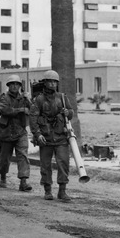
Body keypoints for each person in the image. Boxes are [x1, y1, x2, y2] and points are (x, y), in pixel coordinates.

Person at [29, 70, 74, 202]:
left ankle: (62, 191)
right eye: (50, 81)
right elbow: (33, 118)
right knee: (45, 165)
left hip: (61, 137)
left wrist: (67, 112)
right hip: (46, 137)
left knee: (63, 163)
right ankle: (47, 190)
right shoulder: (39, 99)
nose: (52, 84)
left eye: (55, 81)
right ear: (45, 83)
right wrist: (37, 135)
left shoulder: (62, 97)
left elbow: (71, 112)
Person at [0, 75, 33, 192]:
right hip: (6, 132)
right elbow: (3, 110)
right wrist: (20, 110)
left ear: (20, 86)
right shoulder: (4, 98)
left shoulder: (23, 98)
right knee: (5, 158)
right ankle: (3, 176)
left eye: (17, 84)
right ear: (8, 86)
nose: (15, 86)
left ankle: (23, 181)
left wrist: (28, 100)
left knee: (23, 156)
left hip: (20, 131)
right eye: (12, 84)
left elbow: (33, 110)